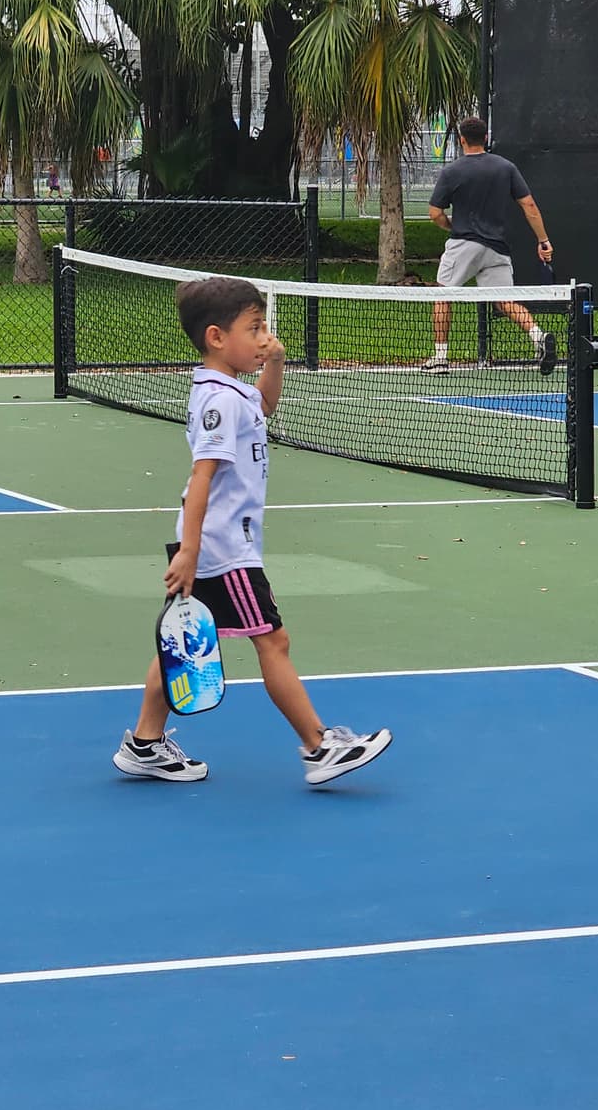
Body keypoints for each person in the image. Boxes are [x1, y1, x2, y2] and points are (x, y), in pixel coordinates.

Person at [112, 276, 392, 786]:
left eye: (264, 326)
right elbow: (202, 477)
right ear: (217, 338)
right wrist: (192, 551)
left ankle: (145, 744)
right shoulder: (217, 402)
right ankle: (318, 745)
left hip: (219, 544)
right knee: (273, 640)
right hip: (223, 548)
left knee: (182, 648)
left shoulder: (232, 391)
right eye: (255, 328)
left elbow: (263, 408)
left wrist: (276, 363)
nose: (264, 335)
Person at [424, 115, 555, 375]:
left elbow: (434, 213)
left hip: (463, 244)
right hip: (497, 249)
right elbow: (529, 205)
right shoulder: (506, 168)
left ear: (461, 140)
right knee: (504, 301)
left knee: (442, 295)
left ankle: (440, 358)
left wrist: (451, 227)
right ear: (485, 138)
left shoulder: (452, 172)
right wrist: (544, 241)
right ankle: (538, 337)